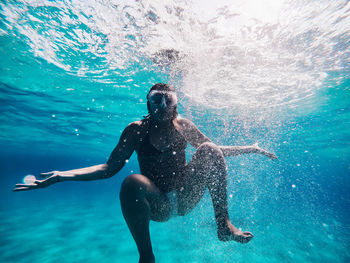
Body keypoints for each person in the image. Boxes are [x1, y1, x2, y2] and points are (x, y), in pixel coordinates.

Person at [14, 83, 277, 263]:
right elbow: (109, 168)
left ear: (176, 103)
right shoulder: (136, 129)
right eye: (156, 99)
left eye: (168, 99)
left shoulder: (184, 125)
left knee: (208, 148)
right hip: (158, 205)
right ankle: (146, 256)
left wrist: (250, 149)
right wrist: (61, 176)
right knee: (131, 181)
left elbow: (215, 152)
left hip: (186, 197)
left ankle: (224, 226)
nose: (162, 104)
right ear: (148, 103)